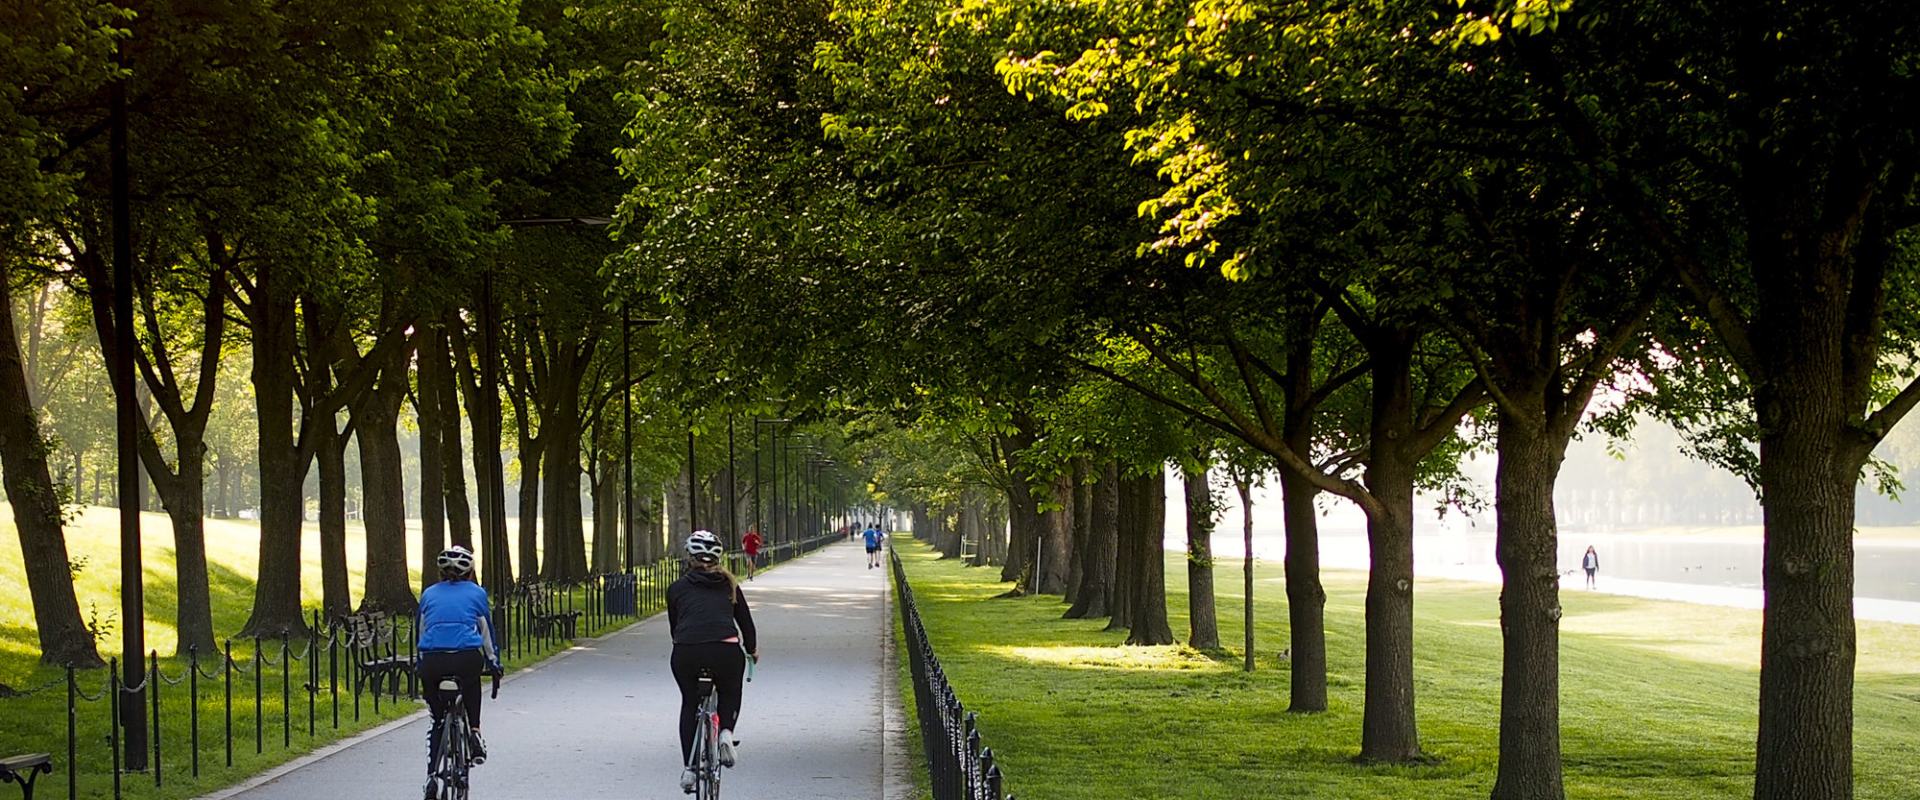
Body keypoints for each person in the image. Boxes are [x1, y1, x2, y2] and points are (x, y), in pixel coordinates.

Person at [667, 530, 758, 794]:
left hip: (687, 651)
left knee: (690, 702)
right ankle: (727, 732)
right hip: (725, 650)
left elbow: (675, 628)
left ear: (689, 557)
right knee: (730, 690)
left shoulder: (676, 588)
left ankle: (689, 769)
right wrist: (752, 650)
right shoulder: (730, 586)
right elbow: (746, 624)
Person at [415, 545, 501, 787]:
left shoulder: (429, 594)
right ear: (470, 572)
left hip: (433, 660)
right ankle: (474, 730)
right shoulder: (477, 593)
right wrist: (494, 664)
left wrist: (421, 664)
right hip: (466, 658)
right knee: (472, 683)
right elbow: (486, 633)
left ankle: (432, 776)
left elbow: (421, 631)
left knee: (437, 720)